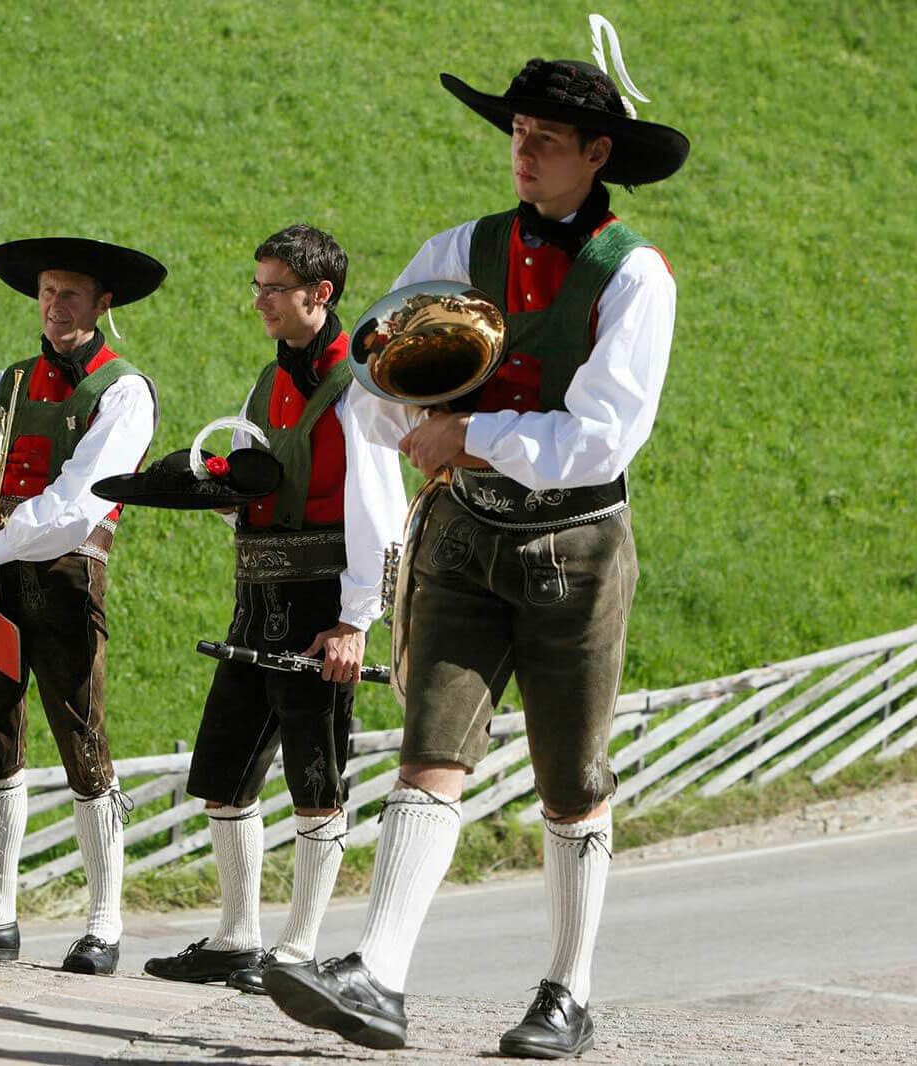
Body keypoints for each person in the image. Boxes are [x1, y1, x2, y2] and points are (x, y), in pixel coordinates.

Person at [263, 26, 689, 1058]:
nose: (524, 149)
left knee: (571, 775)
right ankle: (379, 977)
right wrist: (392, 406)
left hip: (575, 547)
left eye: (548, 137)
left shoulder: (637, 278)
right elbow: (372, 357)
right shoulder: (462, 249)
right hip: (462, 533)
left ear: (599, 156)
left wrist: (473, 434)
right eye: (520, 131)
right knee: (430, 749)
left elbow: (602, 438)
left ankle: (566, 991)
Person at [143, 225, 404, 993]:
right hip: (255, 599)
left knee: (317, 778)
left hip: (324, 600)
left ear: (320, 295)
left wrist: (359, 618)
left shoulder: (360, 388)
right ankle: (238, 936)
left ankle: (297, 950)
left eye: (274, 288)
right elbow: (261, 482)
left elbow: (379, 507)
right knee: (225, 774)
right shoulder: (267, 380)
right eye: (256, 285)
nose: (259, 300)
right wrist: (210, 493)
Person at [0, 237, 164, 976]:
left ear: (103, 304)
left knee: (84, 743)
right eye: (48, 292)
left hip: (64, 582)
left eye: (72, 295)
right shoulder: (3, 384)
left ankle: (105, 922)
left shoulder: (124, 391)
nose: (56, 307)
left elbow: (81, 501)